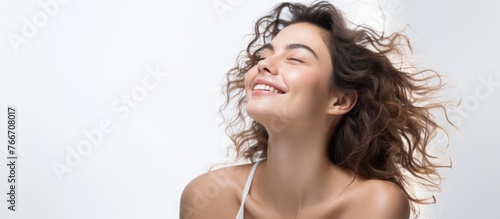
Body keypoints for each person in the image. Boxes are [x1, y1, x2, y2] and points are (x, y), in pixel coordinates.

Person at [180, 1, 452, 218]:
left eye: (295, 59)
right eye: (263, 56)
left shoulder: (374, 204)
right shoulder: (208, 197)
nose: (264, 65)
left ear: (340, 100)